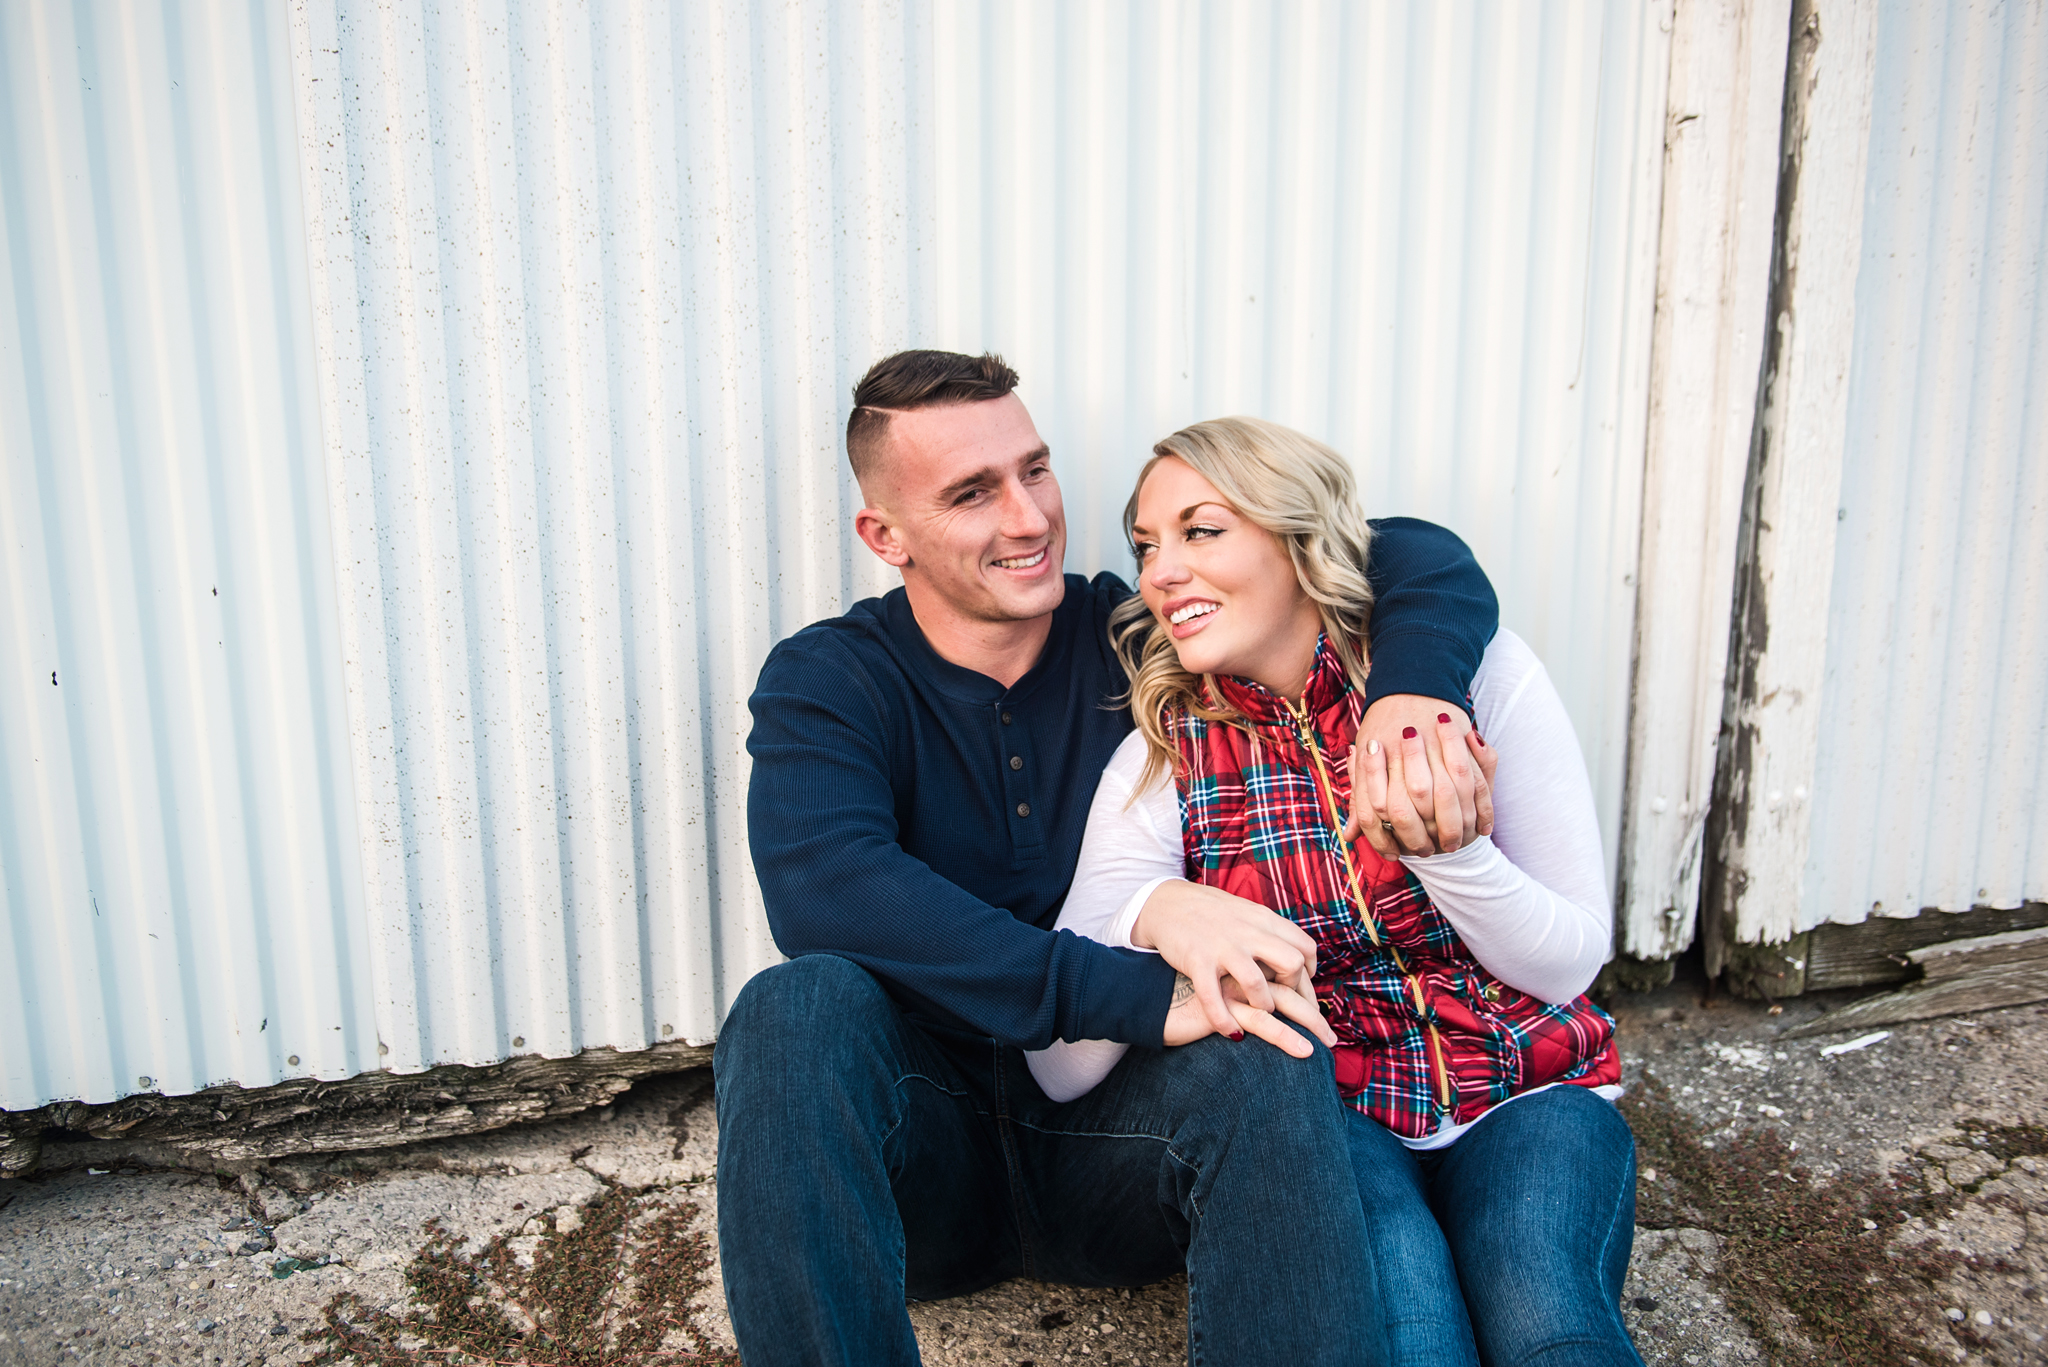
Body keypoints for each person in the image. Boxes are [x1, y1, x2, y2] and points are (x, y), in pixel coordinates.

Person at [718, 350, 1503, 1366]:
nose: (1029, 516)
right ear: (886, 537)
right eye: (972, 492)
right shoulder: (831, 678)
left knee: (1262, 1037)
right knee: (792, 1008)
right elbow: (826, 892)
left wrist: (1409, 693)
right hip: (927, 1161)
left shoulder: (1135, 634)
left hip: (1121, 1141)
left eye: (1032, 470)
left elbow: (1404, 552)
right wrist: (1126, 989)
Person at [1031, 416, 1641, 1367]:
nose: (1160, 572)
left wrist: (1447, 851)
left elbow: (1568, 962)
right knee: (1413, 1336)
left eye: (1202, 530)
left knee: (1548, 1323)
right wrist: (1154, 913)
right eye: (1147, 546)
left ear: (1297, 536)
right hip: (1336, 1117)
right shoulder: (1161, 755)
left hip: (1532, 1088)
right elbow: (1057, 1067)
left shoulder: (1473, 683)